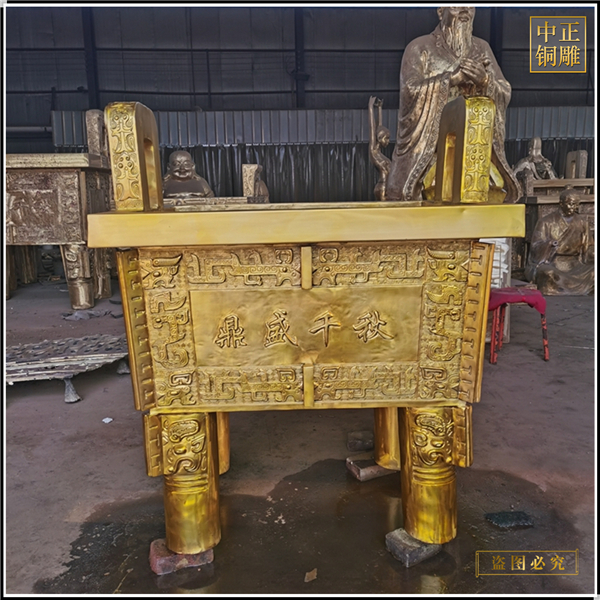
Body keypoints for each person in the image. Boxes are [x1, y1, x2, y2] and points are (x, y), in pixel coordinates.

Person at [385, 6, 520, 203]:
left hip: (474, 151)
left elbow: (504, 91)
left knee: (491, 187)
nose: (464, 11)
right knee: (431, 187)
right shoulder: (420, 47)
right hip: (432, 154)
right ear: (441, 12)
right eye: (456, 6)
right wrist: (451, 79)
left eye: (470, 6)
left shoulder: (482, 48)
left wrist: (485, 82)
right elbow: (410, 90)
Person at [525, 188, 594, 295]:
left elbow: (588, 246)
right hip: (553, 262)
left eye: (576, 204)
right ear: (561, 203)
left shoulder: (582, 222)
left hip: (575, 264)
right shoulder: (546, 222)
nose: (573, 207)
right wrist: (549, 244)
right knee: (547, 273)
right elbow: (535, 246)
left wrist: (592, 252)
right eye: (570, 204)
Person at [368, 96, 391, 201]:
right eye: (387, 138)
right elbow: (373, 128)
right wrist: (370, 108)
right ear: (380, 138)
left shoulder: (379, 153)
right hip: (382, 187)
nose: (388, 141)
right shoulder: (374, 151)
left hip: (387, 186)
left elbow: (379, 126)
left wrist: (379, 108)